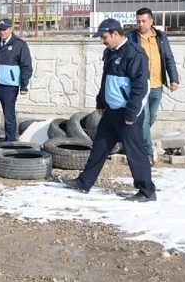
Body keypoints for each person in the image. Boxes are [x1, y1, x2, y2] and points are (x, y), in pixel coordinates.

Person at [63, 18, 156, 202]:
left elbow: (141, 87)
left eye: (104, 37)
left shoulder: (134, 53)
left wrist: (131, 113)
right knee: (99, 147)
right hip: (111, 111)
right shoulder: (110, 52)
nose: (102, 40)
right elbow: (107, 80)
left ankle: (147, 191)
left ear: (115, 33)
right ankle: (84, 182)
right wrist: (101, 101)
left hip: (128, 114)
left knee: (134, 152)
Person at [126, 7, 180, 163]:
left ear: (151, 21)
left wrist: (174, 79)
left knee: (152, 117)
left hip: (157, 84)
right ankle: (147, 153)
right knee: (143, 119)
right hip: (140, 86)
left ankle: (133, 141)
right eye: (138, 21)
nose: (140, 24)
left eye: (143, 21)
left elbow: (168, 58)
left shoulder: (161, 37)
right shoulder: (131, 37)